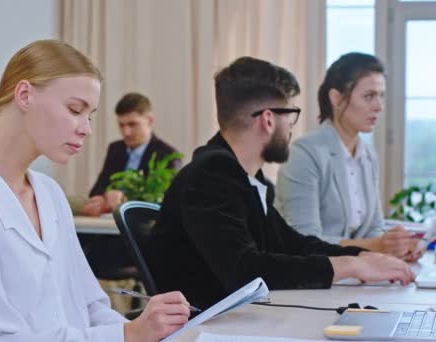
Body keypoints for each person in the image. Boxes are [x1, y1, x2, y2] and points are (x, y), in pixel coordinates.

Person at [0, 40, 190, 341]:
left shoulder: (48, 194)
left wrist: (142, 333)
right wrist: (128, 334)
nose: (85, 128)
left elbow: (91, 304)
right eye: (75, 109)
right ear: (24, 95)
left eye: (90, 115)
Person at [147, 56, 414, 310]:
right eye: (291, 115)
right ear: (268, 119)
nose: (291, 128)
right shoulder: (210, 177)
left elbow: (292, 244)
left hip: (239, 320)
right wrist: (351, 266)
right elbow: (245, 270)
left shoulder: (244, 177)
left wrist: (362, 258)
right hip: (202, 329)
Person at [275, 52, 422, 261]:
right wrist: (376, 246)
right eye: (369, 96)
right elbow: (304, 241)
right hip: (314, 278)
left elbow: (373, 228)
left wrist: (397, 248)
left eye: (381, 96)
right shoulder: (304, 154)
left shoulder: (368, 154)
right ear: (336, 98)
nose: (379, 106)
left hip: (354, 278)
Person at [83, 92, 181, 216]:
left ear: (150, 120)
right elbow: (96, 190)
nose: (126, 132)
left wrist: (125, 199)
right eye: (121, 125)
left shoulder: (168, 156)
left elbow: (164, 202)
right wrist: (104, 198)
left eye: (132, 124)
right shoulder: (115, 149)